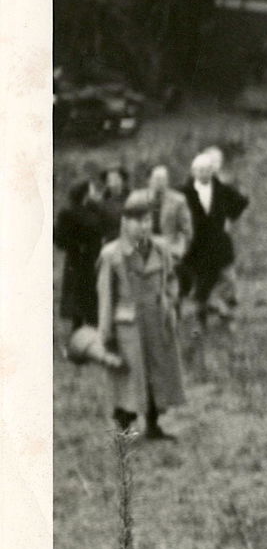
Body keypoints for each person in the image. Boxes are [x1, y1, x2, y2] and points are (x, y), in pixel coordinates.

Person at [97, 190, 185, 439]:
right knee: (128, 379)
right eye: (138, 221)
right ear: (125, 222)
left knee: (157, 373)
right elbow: (106, 297)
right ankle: (124, 431)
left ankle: (154, 425)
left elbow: (171, 280)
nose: (144, 226)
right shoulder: (112, 254)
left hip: (156, 321)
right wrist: (106, 335)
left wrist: (169, 302)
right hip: (128, 326)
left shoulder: (161, 248)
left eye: (148, 220)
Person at [179, 149, 250, 325]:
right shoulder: (184, 192)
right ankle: (202, 321)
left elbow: (241, 202)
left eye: (208, 169)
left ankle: (226, 313)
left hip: (220, 243)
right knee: (202, 285)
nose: (204, 174)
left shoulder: (222, 189)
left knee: (229, 278)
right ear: (193, 171)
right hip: (197, 246)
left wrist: (229, 218)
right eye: (200, 170)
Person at [55, 170, 111, 331]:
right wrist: (78, 246)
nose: (95, 192)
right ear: (85, 192)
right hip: (78, 262)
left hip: (94, 259)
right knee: (78, 305)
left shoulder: (93, 208)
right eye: (92, 189)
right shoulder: (68, 212)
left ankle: (93, 337)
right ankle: (78, 341)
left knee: (93, 299)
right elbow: (60, 239)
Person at [147, 164, 193, 264]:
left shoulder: (178, 200)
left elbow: (187, 229)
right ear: (150, 180)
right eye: (156, 179)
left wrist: (183, 250)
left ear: (167, 181)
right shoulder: (142, 198)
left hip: (169, 246)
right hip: (147, 245)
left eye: (162, 179)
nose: (159, 183)